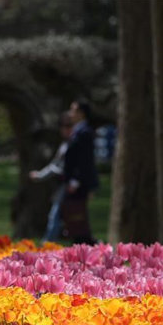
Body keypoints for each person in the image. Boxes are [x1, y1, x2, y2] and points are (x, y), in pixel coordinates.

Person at [30, 111, 74, 243]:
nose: (64, 129)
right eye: (62, 126)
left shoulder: (72, 144)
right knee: (58, 216)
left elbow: (58, 167)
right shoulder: (65, 144)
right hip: (63, 185)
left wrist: (40, 175)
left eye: (68, 126)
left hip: (69, 185)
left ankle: (47, 246)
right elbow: (55, 164)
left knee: (56, 216)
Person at [61, 98, 98, 245]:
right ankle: (83, 247)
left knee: (77, 217)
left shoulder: (85, 133)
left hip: (78, 183)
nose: (70, 113)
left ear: (82, 113)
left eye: (73, 110)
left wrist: (75, 180)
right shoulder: (78, 131)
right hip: (73, 182)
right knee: (74, 218)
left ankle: (89, 247)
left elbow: (84, 161)